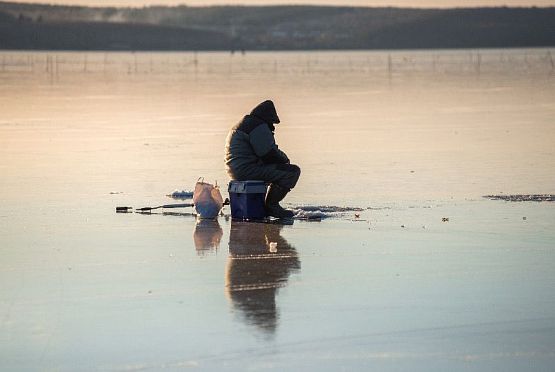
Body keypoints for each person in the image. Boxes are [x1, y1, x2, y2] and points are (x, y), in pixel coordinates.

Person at [225, 100, 301, 218]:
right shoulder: (257, 126)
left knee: (279, 170)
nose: (272, 126)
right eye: (272, 123)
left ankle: (265, 205)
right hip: (247, 170)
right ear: (267, 118)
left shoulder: (244, 123)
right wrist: (285, 160)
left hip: (236, 170)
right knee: (291, 172)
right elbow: (268, 153)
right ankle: (272, 205)